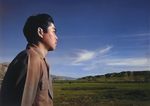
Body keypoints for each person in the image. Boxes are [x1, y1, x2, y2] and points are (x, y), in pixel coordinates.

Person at [0, 13, 58, 106]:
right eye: (53, 31)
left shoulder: (40, 60)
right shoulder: (31, 59)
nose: (56, 37)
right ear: (40, 32)